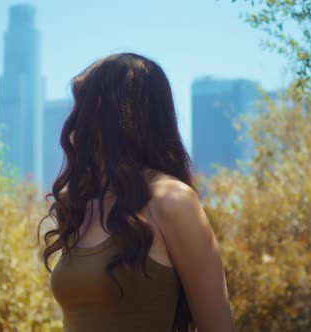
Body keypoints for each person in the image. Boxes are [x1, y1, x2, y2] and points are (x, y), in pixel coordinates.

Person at [40, 53, 234, 332]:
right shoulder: (79, 204)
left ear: (118, 116)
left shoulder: (172, 201)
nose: (74, 119)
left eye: (85, 106)